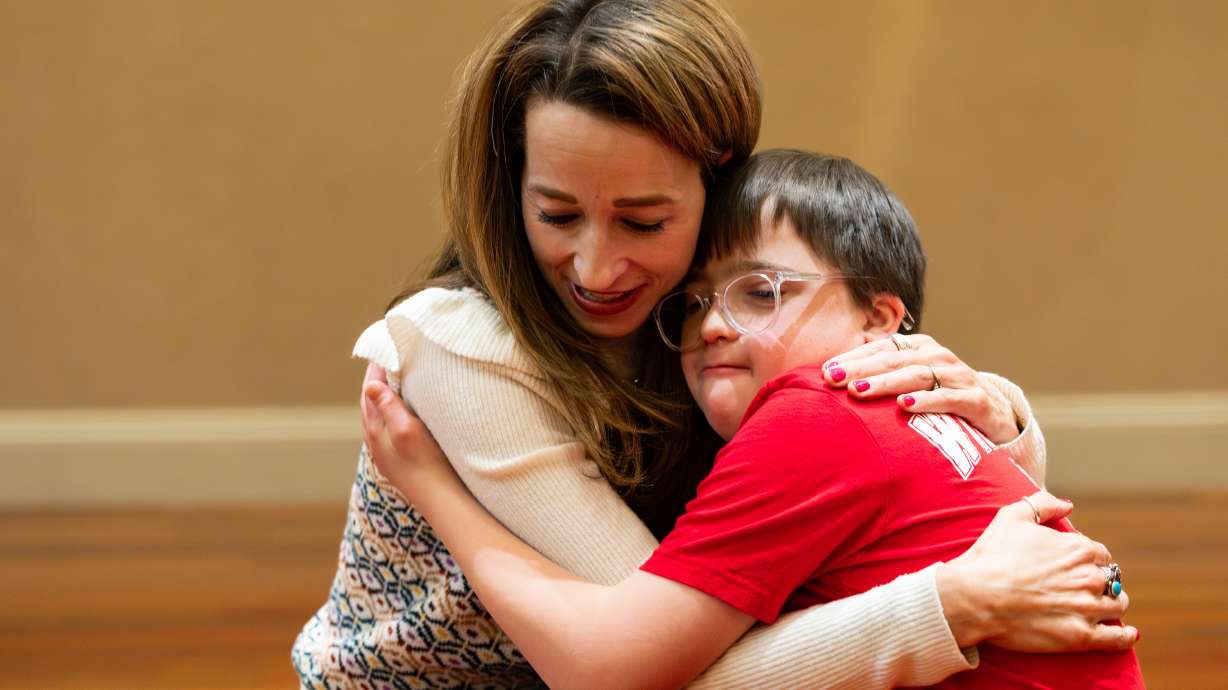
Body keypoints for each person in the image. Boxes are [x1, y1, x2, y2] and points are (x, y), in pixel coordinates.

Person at [293, 1, 1134, 687]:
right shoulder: (462, 346)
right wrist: (953, 603)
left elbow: (922, 500)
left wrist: (997, 416)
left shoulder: (726, 304)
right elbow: (648, 668)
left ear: (716, 180)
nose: (594, 266)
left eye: (644, 220)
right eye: (555, 213)